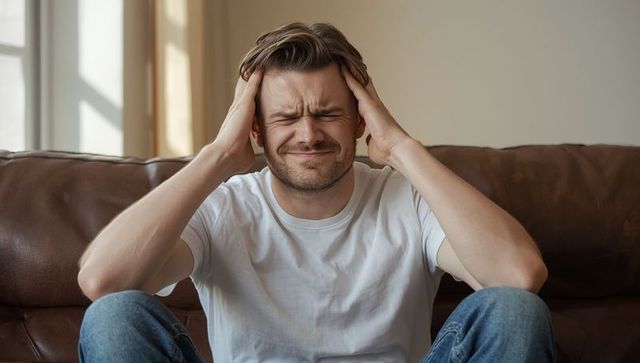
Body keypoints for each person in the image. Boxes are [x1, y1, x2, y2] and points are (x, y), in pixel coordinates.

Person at [77, 22, 556, 362]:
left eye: (328, 113)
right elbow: (102, 282)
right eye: (286, 118)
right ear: (257, 131)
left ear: (358, 121)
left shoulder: (407, 199)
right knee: (115, 315)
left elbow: (519, 276)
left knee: (515, 311)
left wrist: (401, 146)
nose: (308, 135)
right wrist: (219, 155)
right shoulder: (223, 207)